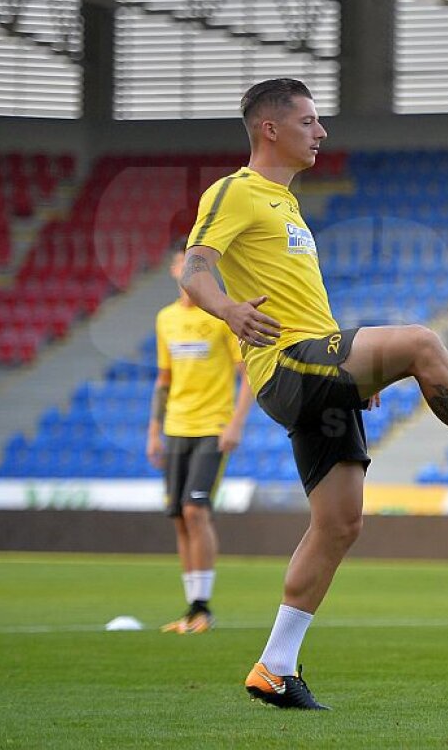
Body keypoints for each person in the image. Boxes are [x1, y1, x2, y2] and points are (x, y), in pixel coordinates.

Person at [180, 78, 448, 710]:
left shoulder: (287, 206)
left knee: (340, 524)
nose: (321, 132)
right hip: (287, 363)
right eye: (309, 121)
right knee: (421, 342)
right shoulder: (235, 190)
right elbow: (195, 267)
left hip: (317, 369)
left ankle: (274, 668)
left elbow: (302, 305)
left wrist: (358, 377)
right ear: (269, 129)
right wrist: (228, 310)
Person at [147, 240, 253, 634]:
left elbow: (247, 376)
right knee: (179, 516)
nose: (187, 269)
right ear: (175, 270)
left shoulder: (222, 315)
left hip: (212, 426)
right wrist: (153, 430)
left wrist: (236, 424)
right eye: (182, 263)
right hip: (176, 427)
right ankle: (191, 609)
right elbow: (164, 379)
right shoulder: (165, 319)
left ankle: (203, 607)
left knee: (195, 510)